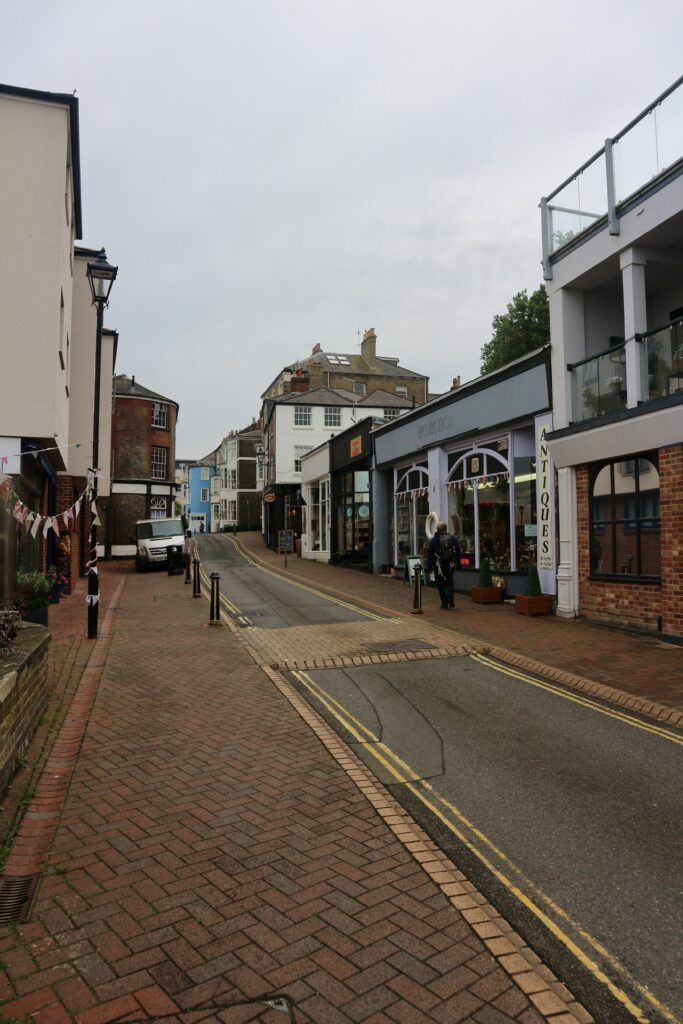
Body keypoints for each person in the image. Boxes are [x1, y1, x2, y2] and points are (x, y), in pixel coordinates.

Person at [427, 521, 461, 610]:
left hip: (438, 565)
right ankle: (450, 598)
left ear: (437, 529)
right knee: (449, 581)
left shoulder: (434, 540)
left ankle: (444, 603)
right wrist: (458, 564)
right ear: (446, 528)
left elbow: (430, 554)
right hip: (450, 564)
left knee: (440, 583)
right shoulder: (452, 538)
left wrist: (429, 567)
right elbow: (458, 551)